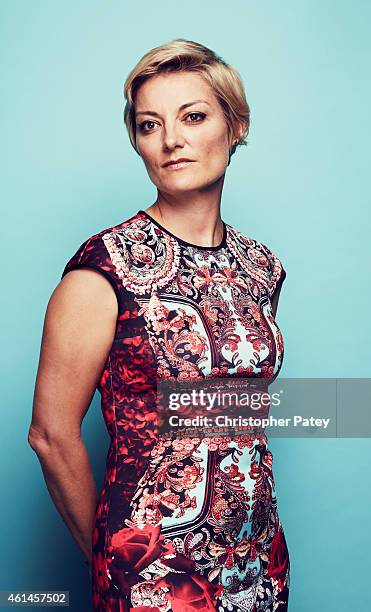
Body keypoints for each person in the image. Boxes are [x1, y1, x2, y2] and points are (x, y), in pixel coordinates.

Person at [28, 38, 290, 611]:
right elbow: (50, 436)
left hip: (258, 563)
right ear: (138, 143)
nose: (171, 139)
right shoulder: (104, 268)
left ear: (235, 125)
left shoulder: (261, 266)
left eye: (193, 117)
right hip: (155, 573)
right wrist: (111, 555)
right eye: (150, 125)